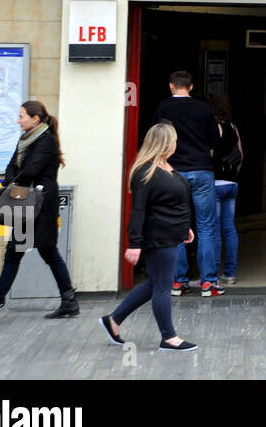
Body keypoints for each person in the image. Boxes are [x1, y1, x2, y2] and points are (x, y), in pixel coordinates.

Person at [0, 101, 78, 324]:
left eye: (21, 116)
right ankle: (69, 301)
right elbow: (12, 166)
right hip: (27, 203)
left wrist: (14, 181)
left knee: (26, 253)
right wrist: (9, 181)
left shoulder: (45, 140)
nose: (18, 120)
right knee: (36, 253)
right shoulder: (26, 139)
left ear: (35, 118)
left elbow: (31, 170)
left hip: (39, 206)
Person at [100, 123, 199, 352]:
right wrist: (134, 243)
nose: (176, 144)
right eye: (174, 140)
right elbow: (139, 210)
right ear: (166, 143)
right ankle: (169, 337)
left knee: (156, 283)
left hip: (172, 234)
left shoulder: (164, 166)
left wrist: (186, 227)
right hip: (159, 237)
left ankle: (113, 320)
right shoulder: (145, 172)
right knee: (163, 286)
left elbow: (174, 201)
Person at [153, 71, 223, 297]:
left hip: (173, 172)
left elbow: (154, 140)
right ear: (191, 87)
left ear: (171, 86)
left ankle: (178, 282)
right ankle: (208, 283)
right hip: (202, 170)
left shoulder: (163, 108)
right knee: (207, 227)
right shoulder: (203, 108)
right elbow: (215, 140)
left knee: (175, 226)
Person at [208, 93, 242, 286]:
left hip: (215, 183)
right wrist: (233, 175)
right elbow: (241, 155)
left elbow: (210, 154)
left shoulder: (215, 127)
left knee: (212, 230)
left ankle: (212, 274)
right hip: (232, 184)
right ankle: (230, 274)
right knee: (229, 229)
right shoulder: (233, 127)